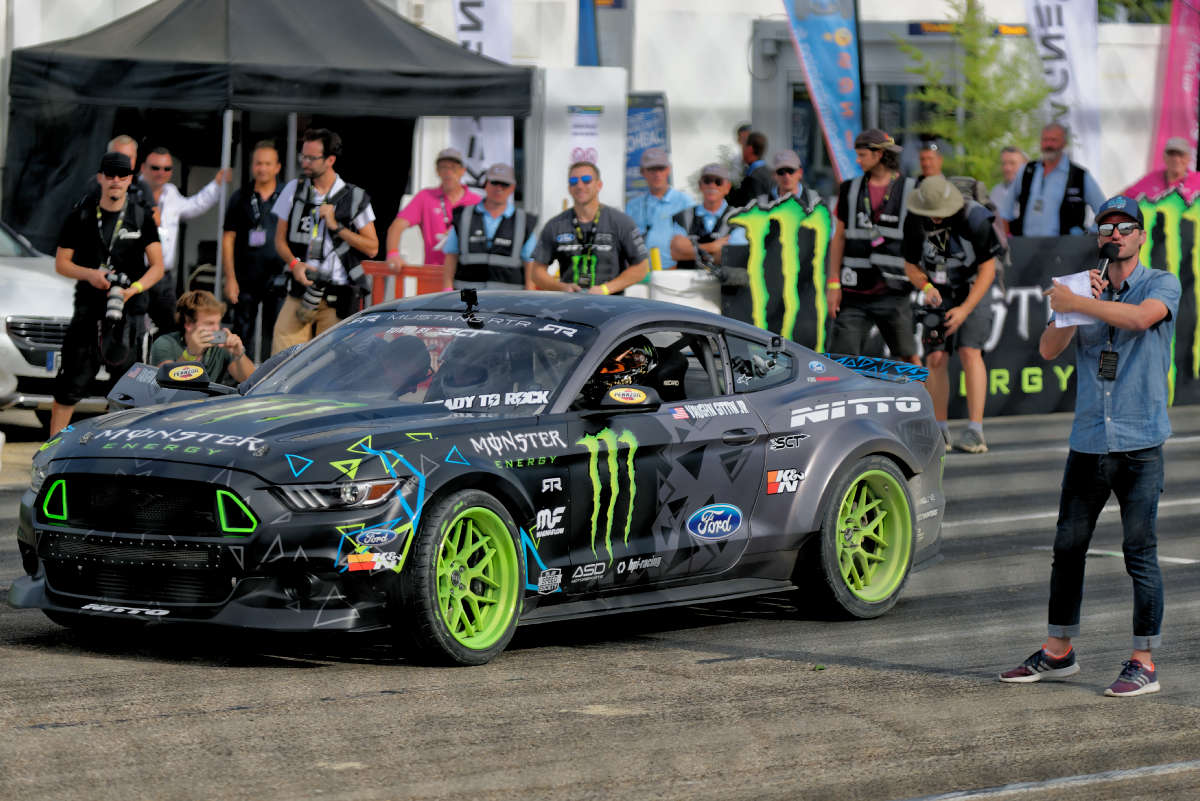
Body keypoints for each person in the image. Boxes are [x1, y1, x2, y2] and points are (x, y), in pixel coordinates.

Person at [1000, 195, 1181, 697]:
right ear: (1099, 237)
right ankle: (1059, 652)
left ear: (1141, 236)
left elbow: (1141, 320)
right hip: (1089, 440)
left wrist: (1078, 302)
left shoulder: (1161, 282)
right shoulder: (1080, 286)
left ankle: (1143, 661)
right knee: (1067, 548)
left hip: (1140, 441)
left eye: (1126, 227)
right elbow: (1047, 350)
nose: (1116, 234)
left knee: (1139, 552)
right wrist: (1068, 309)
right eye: (1107, 227)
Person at [49, 152, 165, 437]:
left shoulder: (141, 215)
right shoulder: (82, 214)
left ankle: (119, 455)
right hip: (89, 312)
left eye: (122, 176)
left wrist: (132, 290)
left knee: (130, 393)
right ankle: (49, 454)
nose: (115, 181)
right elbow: (61, 263)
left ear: (130, 179)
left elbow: (158, 266)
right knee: (69, 388)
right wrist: (90, 274)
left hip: (128, 314)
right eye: (110, 175)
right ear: (100, 177)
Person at [902, 175, 1000, 453]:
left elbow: (988, 270)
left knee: (970, 352)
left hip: (973, 287)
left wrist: (965, 310)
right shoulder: (914, 219)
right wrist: (926, 286)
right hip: (939, 288)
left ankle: (975, 431)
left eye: (939, 214)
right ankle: (940, 429)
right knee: (934, 357)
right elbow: (910, 265)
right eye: (929, 215)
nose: (934, 219)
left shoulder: (976, 219)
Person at [272, 128, 378, 352]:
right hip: (300, 290)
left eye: (312, 158)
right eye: (303, 156)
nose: (305, 162)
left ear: (330, 160)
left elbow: (372, 248)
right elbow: (279, 241)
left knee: (331, 364)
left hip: (337, 295)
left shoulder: (354, 196)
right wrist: (295, 264)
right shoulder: (294, 189)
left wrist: (337, 227)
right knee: (282, 359)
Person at [826, 129, 918, 362]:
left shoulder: (910, 189)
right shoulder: (849, 189)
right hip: (854, 293)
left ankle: (925, 400)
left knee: (909, 360)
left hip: (894, 292)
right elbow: (838, 238)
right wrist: (833, 282)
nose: (857, 161)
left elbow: (919, 239)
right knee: (842, 362)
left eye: (862, 155)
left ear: (878, 155)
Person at [139, 146, 231, 333]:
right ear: (143, 168)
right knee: (134, 327)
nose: (161, 173)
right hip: (137, 273)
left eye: (167, 169)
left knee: (170, 326)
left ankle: (163, 361)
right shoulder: (131, 192)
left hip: (163, 277)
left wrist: (217, 185)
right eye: (155, 168)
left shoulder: (171, 192)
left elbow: (194, 206)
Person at [529, 162, 649, 294]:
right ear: (569, 187)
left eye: (586, 180)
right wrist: (562, 287)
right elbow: (536, 272)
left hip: (611, 307)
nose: (580, 186)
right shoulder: (555, 225)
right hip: (570, 306)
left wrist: (605, 289)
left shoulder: (620, 221)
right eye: (574, 181)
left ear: (599, 185)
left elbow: (641, 267)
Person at [222, 141, 284, 361]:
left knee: (276, 332)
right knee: (241, 333)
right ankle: (238, 380)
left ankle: (271, 383)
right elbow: (228, 238)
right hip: (246, 277)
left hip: (279, 277)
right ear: (252, 166)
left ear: (277, 167)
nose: (262, 168)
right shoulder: (240, 197)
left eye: (268, 163)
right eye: (258, 163)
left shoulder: (288, 196)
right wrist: (230, 278)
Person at [443, 163, 538, 290]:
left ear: (513, 188)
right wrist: (447, 290)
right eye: (494, 182)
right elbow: (451, 257)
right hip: (467, 302)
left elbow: (530, 263)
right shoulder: (463, 216)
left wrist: (529, 297)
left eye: (505, 184)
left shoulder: (524, 221)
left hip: (508, 302)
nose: (499, 188)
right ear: (485, 184)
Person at [385, 148, 481, 273]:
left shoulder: (476, 201)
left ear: (463, 171)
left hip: (466, 275)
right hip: (433, 273)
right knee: (430, 293)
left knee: (467, 293)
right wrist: (393, 255)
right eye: (443, 167)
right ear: (437, 171)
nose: (448, 172)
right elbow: (397, 226)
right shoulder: (425, 197)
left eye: (453, 168)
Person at [1002, 122, 1105, 237]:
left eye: (1053, 140)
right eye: (1045, 140)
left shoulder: (1079, 175)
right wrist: (1007, 243)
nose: (1048, 145)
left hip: (1065, 248)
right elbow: (1005, 212)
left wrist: (1090, 235)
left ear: (1064, 143)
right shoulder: (1026, 171)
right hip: (1027, 247)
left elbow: (1104, 209)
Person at [149, 289, 254, 386]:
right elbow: (166, 384)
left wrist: (239, 354)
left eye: (218, 323)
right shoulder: (165, 343)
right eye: (209, 323)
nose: (216, 328)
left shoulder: (220, 346)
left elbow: (252, 382)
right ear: (189, 324)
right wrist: (190, 355)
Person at [669, 163, 748, 270]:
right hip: (687, 285)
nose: (712, 185)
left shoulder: (740, 218)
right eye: (707, 180)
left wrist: (689, 251)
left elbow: (734, 257)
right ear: (700, 185)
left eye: (718, 182)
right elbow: (675, 253)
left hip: (725, 285)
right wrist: (713, 247)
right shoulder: (683, 216)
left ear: (727, 187)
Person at [625, 147, 691, 269]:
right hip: (640, 275)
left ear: (668, 170)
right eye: (651, 169)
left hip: (677, 275)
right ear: (642, 172)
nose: (657, 174)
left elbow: (693, 244)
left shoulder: (685, 202)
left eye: (661, 168)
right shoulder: (632, 206)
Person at [1123, 137, 1200, 204]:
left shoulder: (1197, 179)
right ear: (1164, 157)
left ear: (1189, 158)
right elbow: (1121, 198)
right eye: (1171, 154)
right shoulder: (1151, 179)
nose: (1176, 159)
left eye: (1181, 154)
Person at [728, 131, 772, 208]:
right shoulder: (770, 173)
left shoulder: (754, 178)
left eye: (743, 147)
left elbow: (743, 206)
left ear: (749, 149)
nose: (741, 151)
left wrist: (726, 188)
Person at [989, 146, 1027, 212]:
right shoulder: (996, 191)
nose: (1007, 168)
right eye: (1004, 163)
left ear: (1025, 164)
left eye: (1012, 163)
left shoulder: (1034, 192)